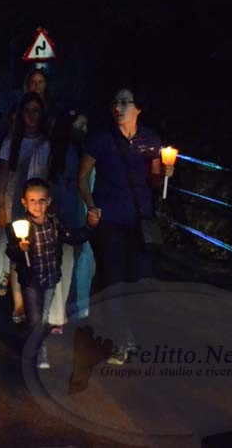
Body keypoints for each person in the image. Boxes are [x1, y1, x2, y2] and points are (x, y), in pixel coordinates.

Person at [78, 86, 173, 364]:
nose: (118, 108)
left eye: (124, 102)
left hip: (140, 220)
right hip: (109, 221)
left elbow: (154, 182)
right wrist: (90, 204)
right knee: (114, 280)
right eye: (115, 102)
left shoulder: (150, 140)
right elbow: (82, 177)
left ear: (137, 108)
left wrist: (166, 172)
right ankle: (121, 341)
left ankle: (133, 334)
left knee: (139, 280)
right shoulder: (101, 140)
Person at [6, 178, 98, 369]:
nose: (37, 205)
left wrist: (89, 226)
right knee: (34, 317)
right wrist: (19, 247)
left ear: (48, 202)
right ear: (24, 202)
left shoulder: (55, 224)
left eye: (41, 200)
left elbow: (73, 237)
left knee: (44, 315)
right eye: (32, 200)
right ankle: (39, 349)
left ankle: (38, 346)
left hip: (50, 279)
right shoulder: (19, 227)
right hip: (30, 280)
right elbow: (11, 251)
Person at [0, 93, 50, 325]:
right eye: (27, 110)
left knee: (39, 254)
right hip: (16, 200)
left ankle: (36, 303)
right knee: (20, 252)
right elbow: (3, 175)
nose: (31, 116)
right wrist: (1, 207)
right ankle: (18, 303)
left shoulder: (47, 143)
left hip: (39, 204)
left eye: (36, 110)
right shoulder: (11, 142)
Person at [47, 109, 95, 331]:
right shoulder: (59, 152)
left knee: (81, 260)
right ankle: (58, 313)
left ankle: (75, 309)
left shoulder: (87, 152)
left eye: (85, 126)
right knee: (62, 261)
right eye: (79, 125)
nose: (83, 131)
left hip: (83, 211)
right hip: (64, 210)